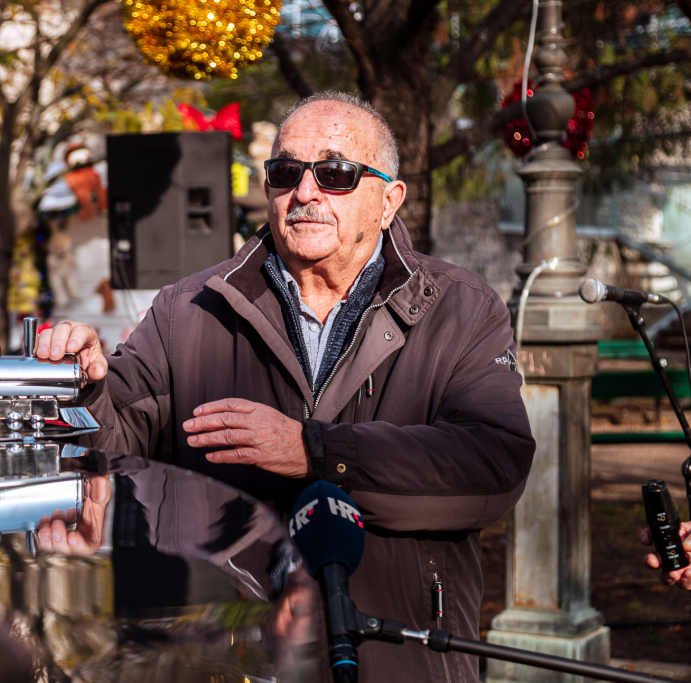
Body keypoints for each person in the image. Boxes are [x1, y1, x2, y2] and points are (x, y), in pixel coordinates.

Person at [35, 92, 536, 683]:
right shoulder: (188, 308)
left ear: (388, 201)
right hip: (222, 658)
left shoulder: (461, 308)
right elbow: (114, 438)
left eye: (336, 174)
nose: (305, 192)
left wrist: (315, 452)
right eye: (285, 172)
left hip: (401, 659)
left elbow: (493, 465)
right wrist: (85, 383)